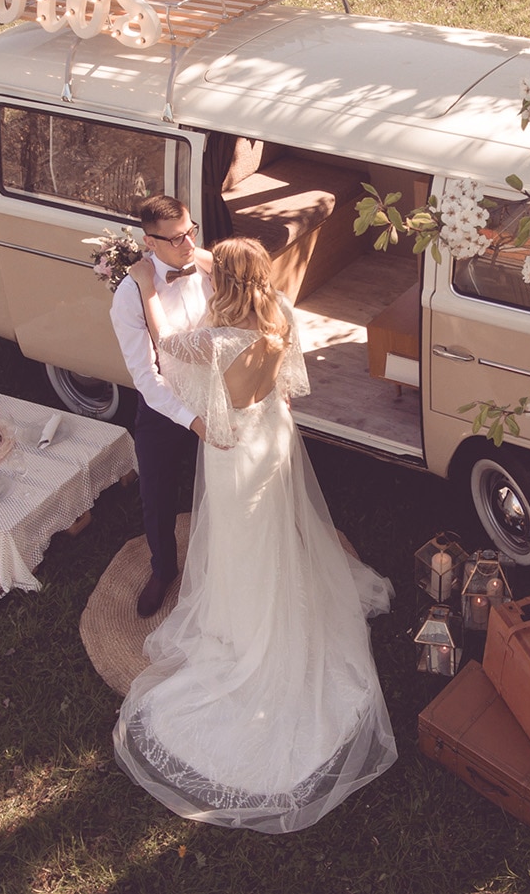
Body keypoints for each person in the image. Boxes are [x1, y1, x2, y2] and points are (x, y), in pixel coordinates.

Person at [112, 237, 397, 832]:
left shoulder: (214, 338)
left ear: (225, 285)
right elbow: (288, 385)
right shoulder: (282, 312)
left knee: (240, 535)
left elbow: (163, 345)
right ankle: (276, 602)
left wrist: (144, 285)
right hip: (273, 437)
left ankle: (245, 626)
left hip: (231, 446)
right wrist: (204, 257)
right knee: (272, 529)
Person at [110, 195, 213, 618]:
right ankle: (163, 569)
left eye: (191, 231)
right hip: (166, 405)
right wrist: (191, 421)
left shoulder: (209, 267)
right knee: (156, 492)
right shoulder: (130, 295)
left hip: (214, 393)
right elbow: (146, 378)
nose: (187, 244)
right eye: (174, 240)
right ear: (149, 243)